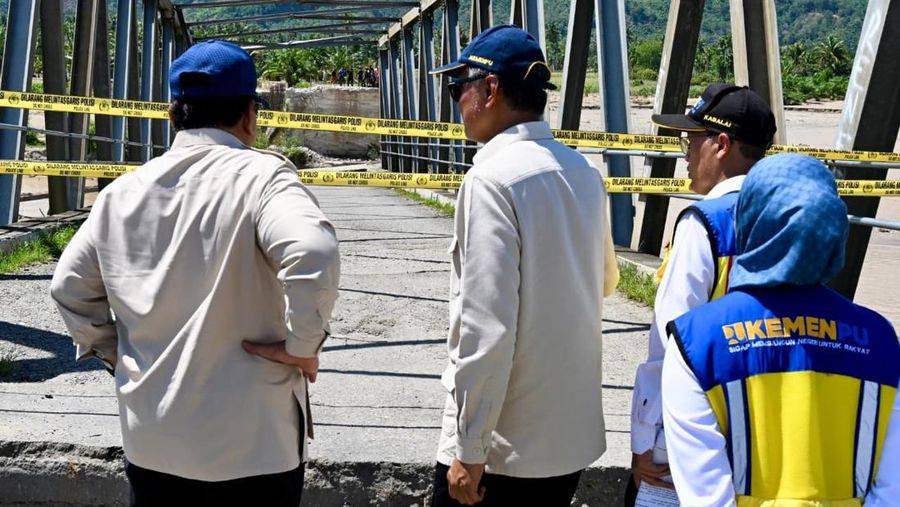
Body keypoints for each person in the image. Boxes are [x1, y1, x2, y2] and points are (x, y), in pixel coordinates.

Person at [49, 40, 340, 506]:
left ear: (172, 116)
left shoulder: (121, 194)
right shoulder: (264, 178)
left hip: (153, 440)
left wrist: (118, 355)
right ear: (250, 115)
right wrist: (303, 347)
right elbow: (313, 252)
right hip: (254, 446)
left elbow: (68, 288)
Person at [428, 25, 620, 506]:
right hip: (567, 442)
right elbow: (606, 281)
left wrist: (469, 449)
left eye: (458, 88)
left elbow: (484, 329)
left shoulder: (491, 180)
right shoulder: (583, 171)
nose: (456, 101)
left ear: (489, 89)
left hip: (503, 450)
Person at [662, 153, 900, 505]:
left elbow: (705, 495)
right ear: (834, 231)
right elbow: (891, 488)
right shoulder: (880, 339)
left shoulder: (697, 340)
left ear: (750, 219)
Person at [626, 84, 776, 504]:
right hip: (763, 431)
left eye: (691, 140)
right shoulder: (786, 219)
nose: (686, 154)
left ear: (721, 144)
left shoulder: (703, 225)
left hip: (692, 434)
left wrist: (644, 441)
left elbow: (673, 343)